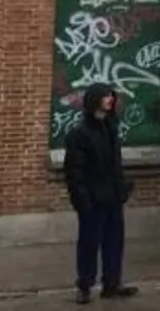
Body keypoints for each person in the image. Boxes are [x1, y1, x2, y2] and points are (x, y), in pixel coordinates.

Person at [64, 85, 137, 305]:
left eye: (111, 96)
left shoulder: (111, 127)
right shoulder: (81, 134)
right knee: (89, 242)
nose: (110, 100)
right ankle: (85, 285)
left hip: (112, 196)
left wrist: (122, 187)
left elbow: (116, 164)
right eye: (106, 96)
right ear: (95, 100)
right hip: (93, 198)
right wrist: (81, 198)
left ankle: (112, 283)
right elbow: (74, 171)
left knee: (114, 241)